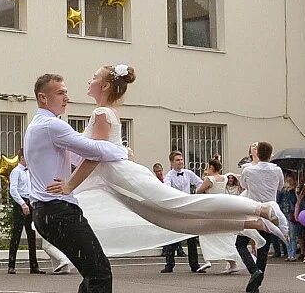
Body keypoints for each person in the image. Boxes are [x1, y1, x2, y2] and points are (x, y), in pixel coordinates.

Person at [48, 65, 285, 267]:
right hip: (115, 180)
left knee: (185, 207)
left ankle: (263, 209)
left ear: (106, 86)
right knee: (174, 222)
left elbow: (95, 154)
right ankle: (252, 222)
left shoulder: (101, 112)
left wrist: (70, 185)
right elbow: (94, 149)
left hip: (123, 177)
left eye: (94, 77)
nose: (89, 80)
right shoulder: (103, 112)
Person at [24, 71, 138, 293]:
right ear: (43, 98)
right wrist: (122, 151)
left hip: (54, 211)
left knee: (93, 271)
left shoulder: (44, 126)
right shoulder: (50, 125)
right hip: (58, 211)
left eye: (66, 91)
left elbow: (77, 157)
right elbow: (93, 150)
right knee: (100, 273)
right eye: (61, 92)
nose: (67, 96)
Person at [235, 141, 286, 293]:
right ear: (270, 155)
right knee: (263, 246)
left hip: (252, 209)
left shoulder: (248, 171)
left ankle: (253, 270)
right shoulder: (277, 170)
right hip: (269, 209)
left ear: (257, 154)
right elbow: (280, 186)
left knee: (241, 243)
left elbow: (244, 186)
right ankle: (258, 279)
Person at [162, 151, 211, 274]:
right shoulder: (169, 176)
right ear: (172, 162)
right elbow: (166, 188)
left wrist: (196, 194)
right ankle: (169, 264)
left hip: (188, 207)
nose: (180, 162)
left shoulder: (188, 173)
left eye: (181, 159)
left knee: (191, 237)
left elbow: (200, 183)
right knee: (172, 236)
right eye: (177, 160)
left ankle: (194, 264)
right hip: (176, 208)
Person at [6, 150, 43, 274]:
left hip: (30, 202)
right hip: (20, 203)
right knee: (16, 233)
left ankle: (34, 265)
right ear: (22, 158)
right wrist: (22, 204)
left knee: (31, 234)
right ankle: (11, 265)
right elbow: (13, 190)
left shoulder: (29, 172)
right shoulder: (16, 172)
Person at [276, 173, 299, 261]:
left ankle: (293, 254)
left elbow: (294, 201)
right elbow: (278, 200)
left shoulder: (293, 191)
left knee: (292, 235)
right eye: (287, 181)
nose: (288, 183)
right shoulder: (282, 191)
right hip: (283, 213)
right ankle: (289, 254)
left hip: (291, 214)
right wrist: (282, 190)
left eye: (290, 181)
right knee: (286, 234)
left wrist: (291, 191)